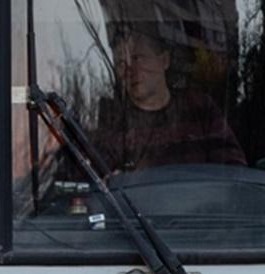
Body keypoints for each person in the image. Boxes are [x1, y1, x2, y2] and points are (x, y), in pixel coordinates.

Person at [97, 27, 246, 172]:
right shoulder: (115, 126)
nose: (130, 70)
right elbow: (96, 184)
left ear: (164, 60)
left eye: (138, 58)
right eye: (121, 63)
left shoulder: (201, 108)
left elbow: (234, 173)